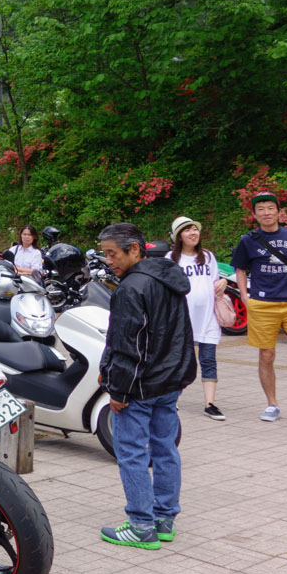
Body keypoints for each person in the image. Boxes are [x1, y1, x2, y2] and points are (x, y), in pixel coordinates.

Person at [97, 222, 195, 550]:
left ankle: (141, 525)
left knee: (132, 454)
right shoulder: (169, 278)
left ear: (135, 249)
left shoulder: (131, 288)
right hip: (170, 381)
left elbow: (128, 346)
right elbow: (180, 334)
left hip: (139, 387)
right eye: (105, 254)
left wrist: (118, 391)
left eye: (113, 253)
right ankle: (164, 519)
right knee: (165, 449)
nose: (109, 260)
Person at [230, 192, 287, 422]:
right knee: (267, 355)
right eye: (261, 209)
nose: (266, 213)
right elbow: (240, 269)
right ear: (254, 215)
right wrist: (244, 296)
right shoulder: (248, 240)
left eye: (270, 208)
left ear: (279, 212)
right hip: (263, 303)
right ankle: (272, 404)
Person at [170, 216, 226, 420]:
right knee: (180, 361)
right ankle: (171, 399)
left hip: (208, 318)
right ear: (179, 236)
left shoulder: (208, 257)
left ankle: (210, 404)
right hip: (182, 319)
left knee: (208, 360)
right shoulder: (171, 258)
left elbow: (215, 281)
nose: (193, 233)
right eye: (187, 230)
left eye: (195, 229)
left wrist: (223, 283)